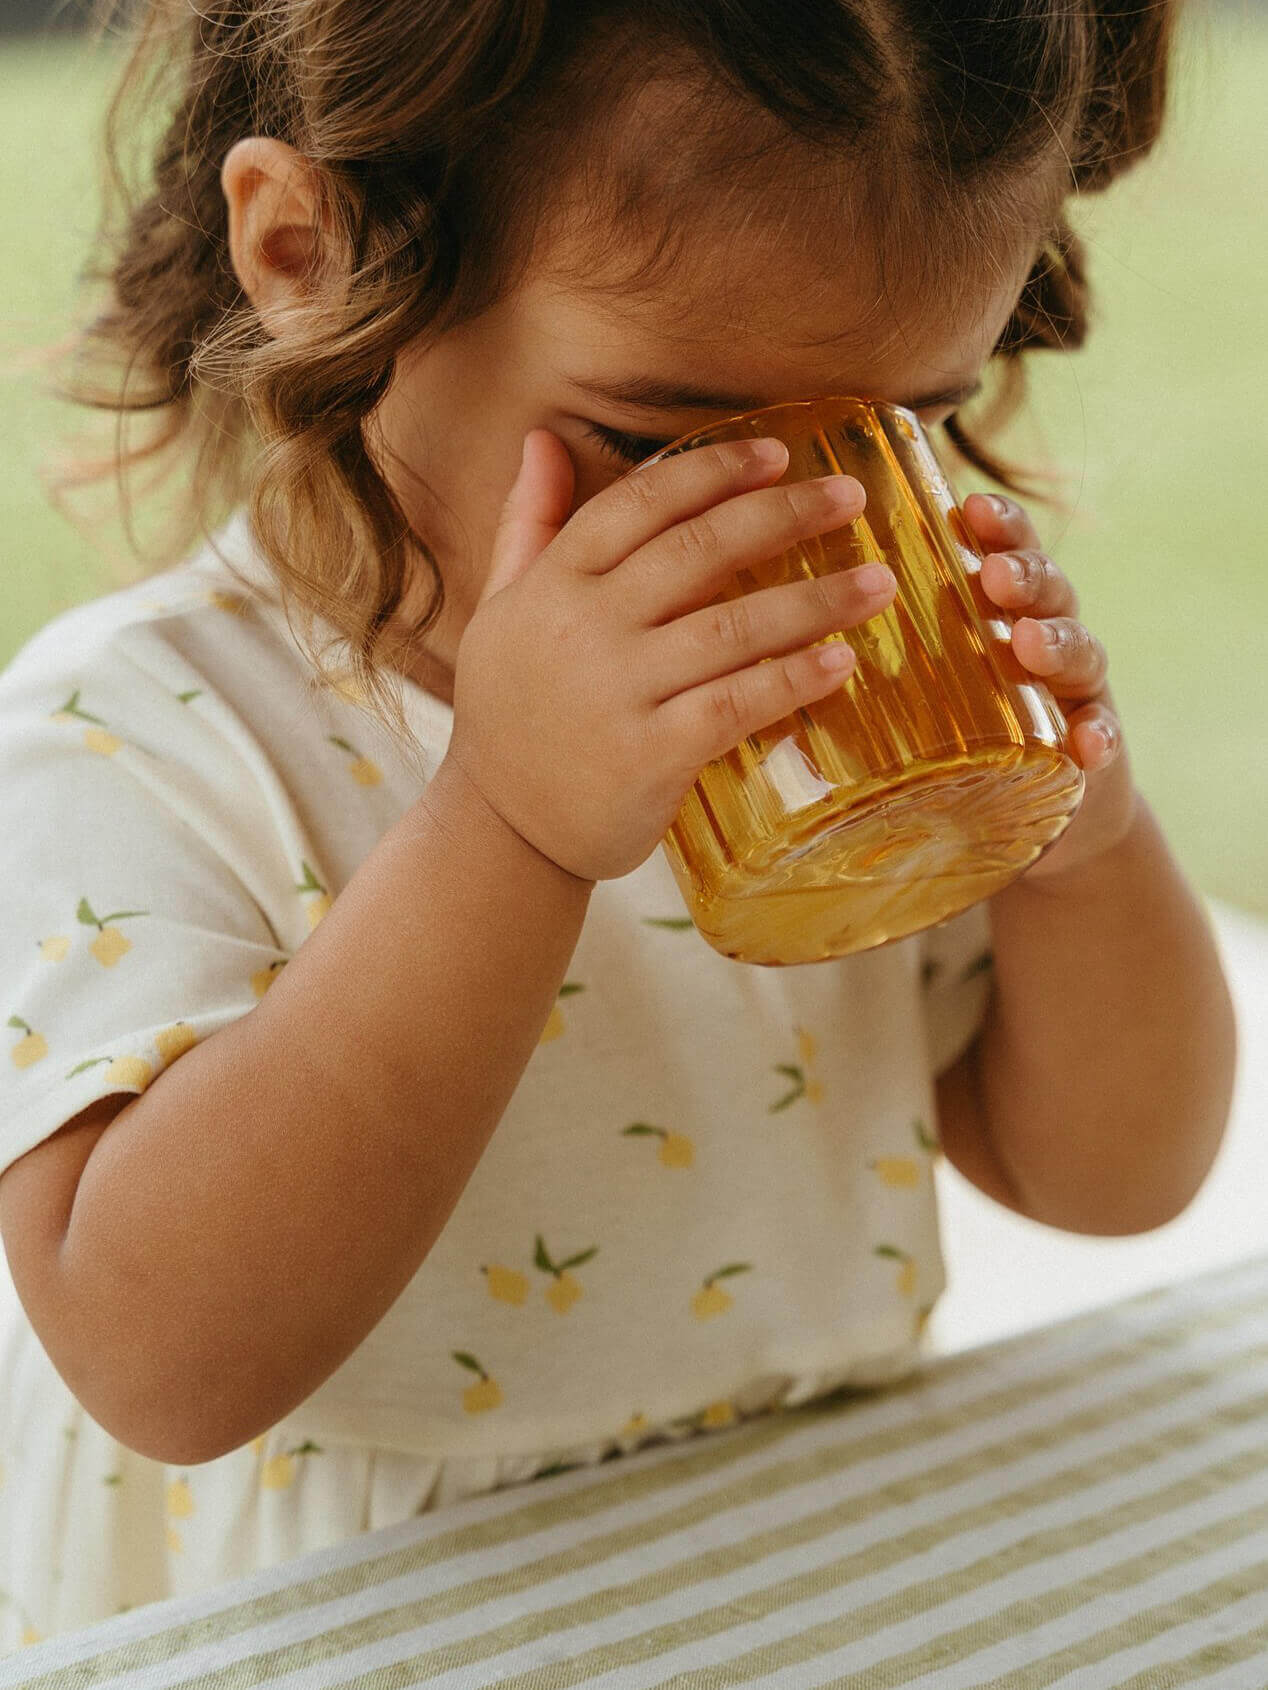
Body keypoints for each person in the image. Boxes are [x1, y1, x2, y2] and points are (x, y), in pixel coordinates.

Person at [0, 0, 1237, 1652]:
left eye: (898, 432)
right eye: (660, 441)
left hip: (786, 1589)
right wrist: (506, 824)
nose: (803, 535)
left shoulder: (820, 706)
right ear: (306, 252)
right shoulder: (137, 737)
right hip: (345, 1625)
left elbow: (1115, 1171)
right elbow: (159, 1351)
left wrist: (1079, 839)